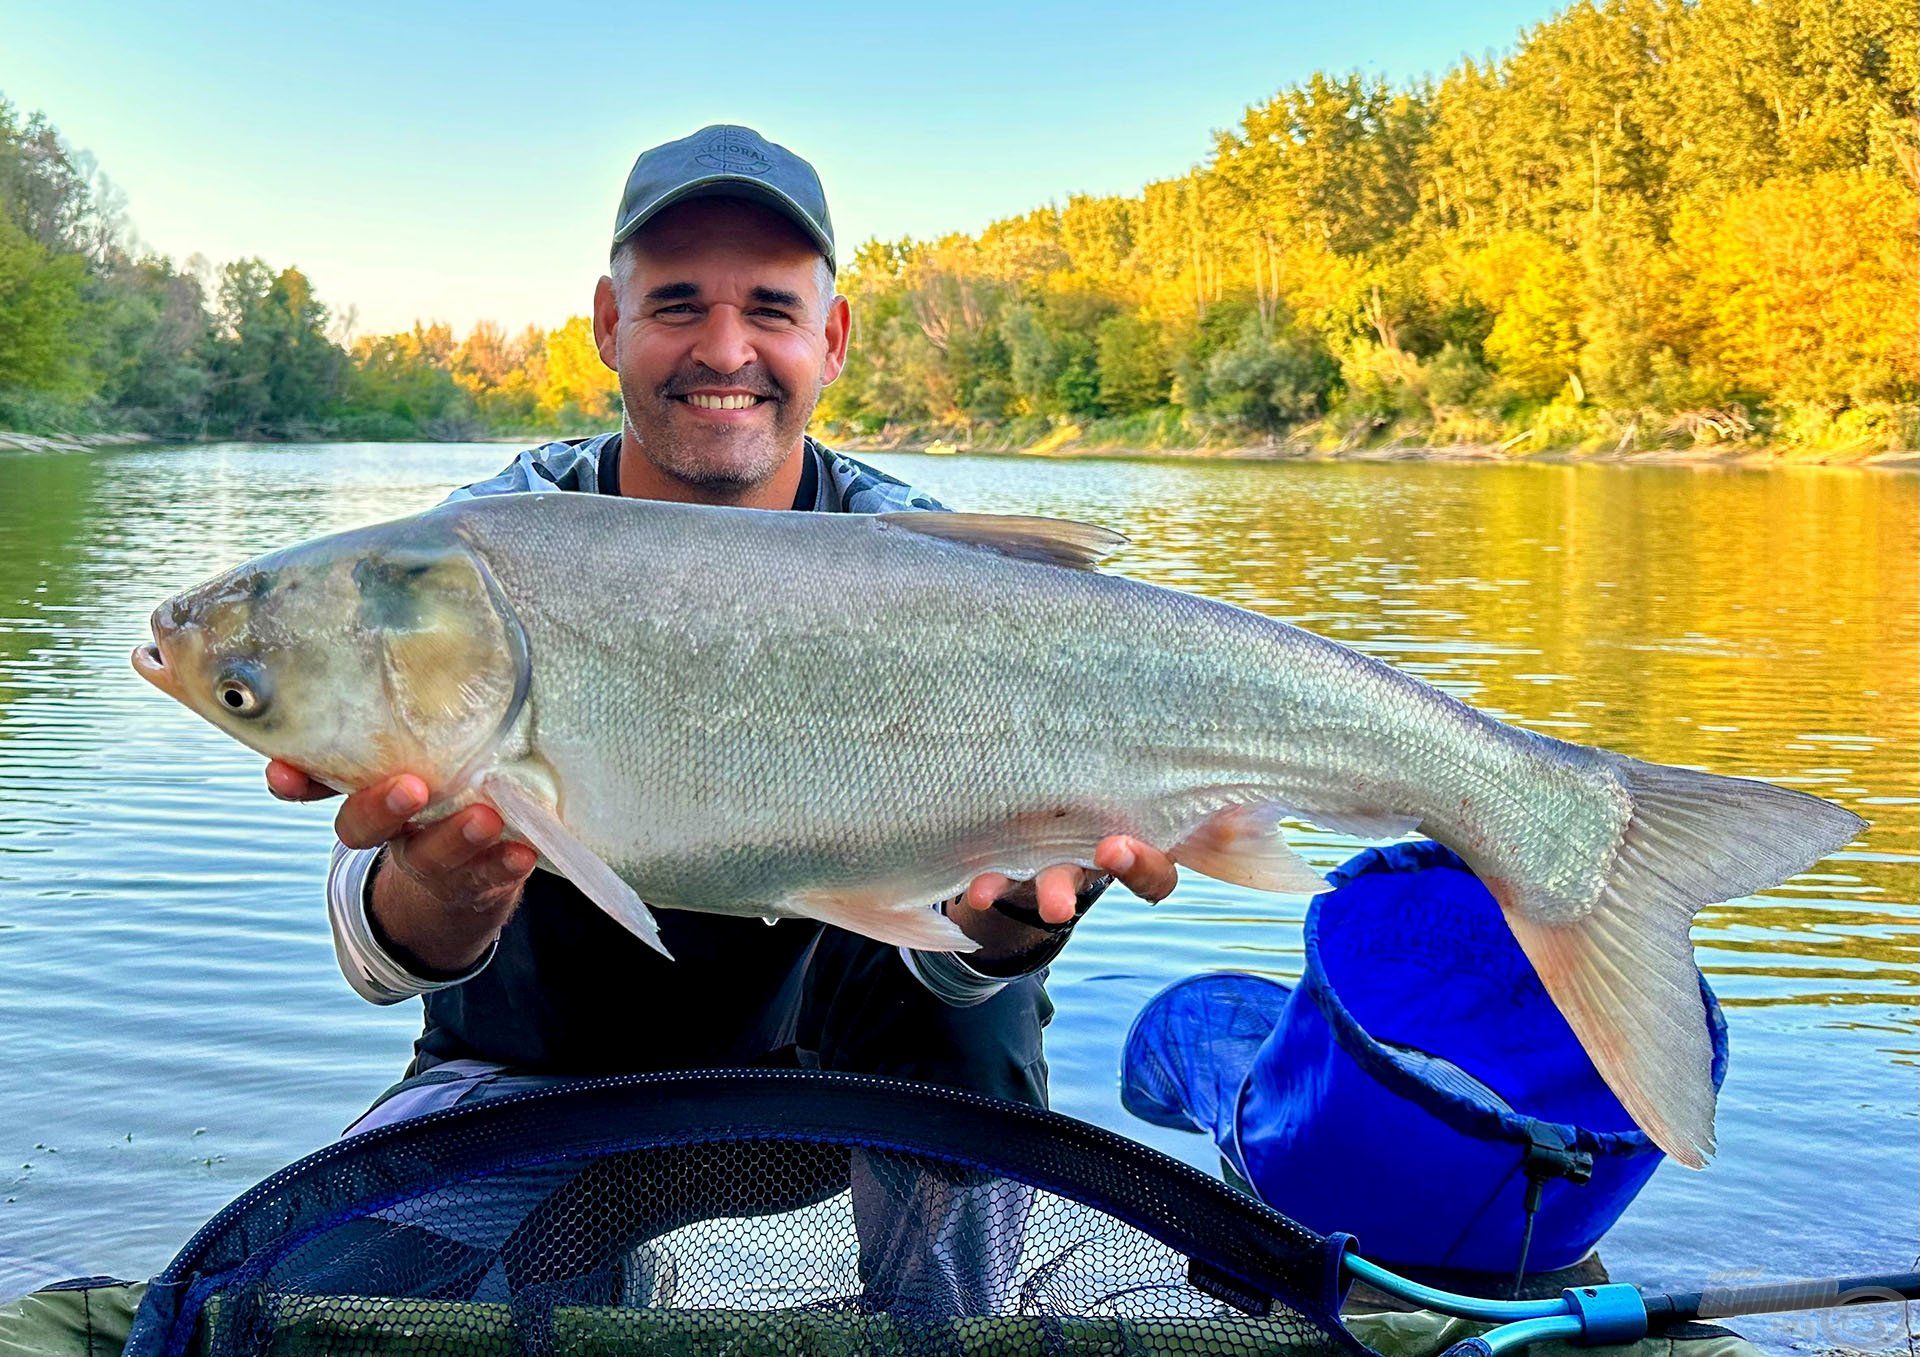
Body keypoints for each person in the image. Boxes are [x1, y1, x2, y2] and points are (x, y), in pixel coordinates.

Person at [264, 125, 1181, 1134]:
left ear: (831, 339)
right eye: (678, 304)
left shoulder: (932, 565)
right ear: (610, 323)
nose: (726, 348)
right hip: (539, 1083)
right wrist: (443, 890)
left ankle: (942, 1296)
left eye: (772, 310)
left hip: (860, 1076)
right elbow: (374, 954)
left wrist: (998, 933)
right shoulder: (481, 545)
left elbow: (959, 974)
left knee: (979, 1019)